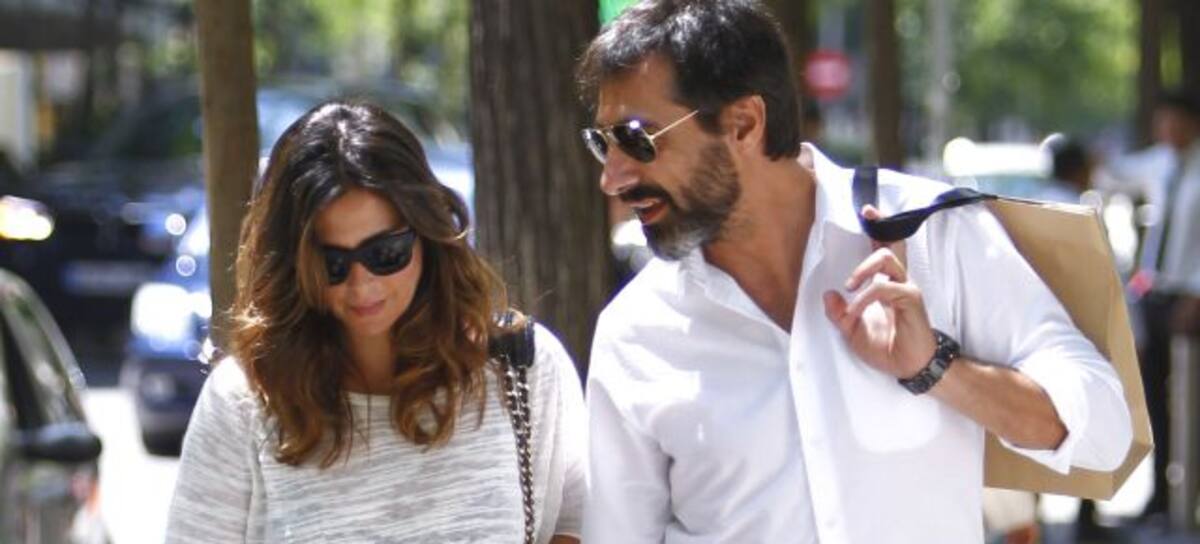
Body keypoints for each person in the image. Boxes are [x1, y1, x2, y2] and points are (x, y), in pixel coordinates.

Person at [575, 1, 1133, 542]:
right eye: (603, 143)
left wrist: (935, 368)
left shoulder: (933, 237)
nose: (612, 178)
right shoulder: (636, 331)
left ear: (744, 124)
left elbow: (1106, 432)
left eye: (636, 139)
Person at [165, 101, 585, 543]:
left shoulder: (521, 370)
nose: (361, 286)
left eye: (386, 253)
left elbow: (575, 529)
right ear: (294, 266)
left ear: (428, 235)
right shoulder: (244, 400)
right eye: (332, 263)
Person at [1106, 89, 1200, 523]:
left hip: (1190, 299)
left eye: (1175, 122)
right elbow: (1116, 173)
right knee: (1155, 403)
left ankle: (1186, 499)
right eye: (1163, 122)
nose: (1168, 130)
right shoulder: (1161, 163)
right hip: (1155, 294)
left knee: (1189, 401)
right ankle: (1160, 495)